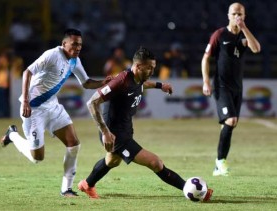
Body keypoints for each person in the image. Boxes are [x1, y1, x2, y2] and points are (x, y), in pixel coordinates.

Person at [77, 47, 213, 201]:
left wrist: (160, 86)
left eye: (153, 67)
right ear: (138, 67)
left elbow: (142, 84)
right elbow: (92, 102)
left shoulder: (138, 78)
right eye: (149, 68)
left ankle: (87, 184)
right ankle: (190, 189)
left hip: (125, 128)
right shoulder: (121, 80)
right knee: (155, 162)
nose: (152, 71)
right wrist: (105, 132)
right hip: (115, 134)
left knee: (112, 161)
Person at [0, 28, 112, 197]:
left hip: (53, 107)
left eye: (80, 45)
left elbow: (86, 83)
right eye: (74, 44)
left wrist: (103, 82)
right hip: (34, 109)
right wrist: (25, 101)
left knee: (74, 144)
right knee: (37, 158)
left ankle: (66, 189)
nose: (78, 47)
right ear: (64, 44)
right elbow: (27, 72)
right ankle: (12, 135)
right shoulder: (52, 55)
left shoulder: (75, 60)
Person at [201, 2, 261, 176]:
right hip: (221, 86)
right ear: (228, 15)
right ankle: (220, 162)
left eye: (240, 14)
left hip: (237, 88)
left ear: (244, 16)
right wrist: (206, 81)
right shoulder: (219, 34)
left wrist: (244, 28)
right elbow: (206, 58)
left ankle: (218, 166)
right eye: (234, 13)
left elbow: (256, 48)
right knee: (231, 120)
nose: (237, 17)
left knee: (228, 125)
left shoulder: (243, 39)